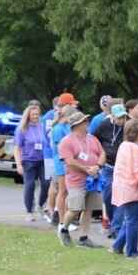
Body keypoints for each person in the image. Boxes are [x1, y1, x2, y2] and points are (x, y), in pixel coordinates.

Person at [57, 111, 106, 248]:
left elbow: (102, 153)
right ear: (77, 124)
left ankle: (84, 238)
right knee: (75, 208)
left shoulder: (92, 139)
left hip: (93, 179)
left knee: (89, 209)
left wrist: (98, 165)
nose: (87, 123)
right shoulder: (67, 141)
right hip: (76, 180)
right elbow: (69, 161)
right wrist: (86, 169)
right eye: (84, 121)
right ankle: (63, 229)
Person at [109, 119, 138, 259]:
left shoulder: (125, 145)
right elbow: (135, 170)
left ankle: (117, 246)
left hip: (125, 187)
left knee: (129, 220)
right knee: (133, 221)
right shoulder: (132, 148)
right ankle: (132, 251)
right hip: (133, 189)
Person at [96, 101, 128, 236]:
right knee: (108, 195)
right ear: (112, 117)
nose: (122, 120)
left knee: (120, 197)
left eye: (124, 117)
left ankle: (116, 228)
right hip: (108, 166)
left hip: (122, 167)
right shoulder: (104, 125)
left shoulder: (128, 126)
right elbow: (94, 139)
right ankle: (112, 221)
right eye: (119, 117)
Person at [13, 102, 49, 220]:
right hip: (28, 161)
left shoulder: (42, 126)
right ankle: (29, 211)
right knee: (30, 185)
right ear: (28, 115)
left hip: (42, 160)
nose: (35, 116)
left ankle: (40, 205)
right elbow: (17, 148)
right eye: (33, 114)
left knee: (46, 183)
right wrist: (18, 164)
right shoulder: (22, 129)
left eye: (37, 114)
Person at [50, 99, 76, 231]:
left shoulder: (66, 127)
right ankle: (61, 221)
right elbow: (61, 148)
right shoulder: (58, 129)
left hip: (67, 163)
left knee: (67, 192)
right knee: (62, 192)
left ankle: (65, 220)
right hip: (61, 163)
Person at [40, 95, 61, 222]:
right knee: (53, 182)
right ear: (55, 106)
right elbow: (48, 135)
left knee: (56, 183)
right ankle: (49, 208)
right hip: (51, 154)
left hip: (57, 154)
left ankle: (53, 209)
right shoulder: (49, 116)